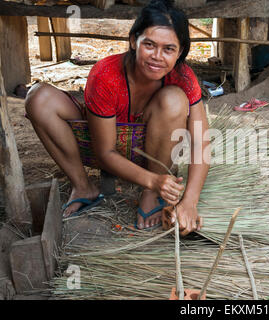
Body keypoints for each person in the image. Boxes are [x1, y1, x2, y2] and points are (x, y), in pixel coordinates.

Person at [24, 0, 210, 236]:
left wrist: (189, 202)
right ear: (133, 41)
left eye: (169, 49)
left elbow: (200, 142)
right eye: (149, 45)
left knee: (174, 99)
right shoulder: (106, 75)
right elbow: (105, 152)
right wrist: (153, 181)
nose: (157, 57)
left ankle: (150, 196)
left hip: (153, 149)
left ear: (180, 52)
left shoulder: (183, 77)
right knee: (37, 98)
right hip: (98, 146)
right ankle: (83, 187)